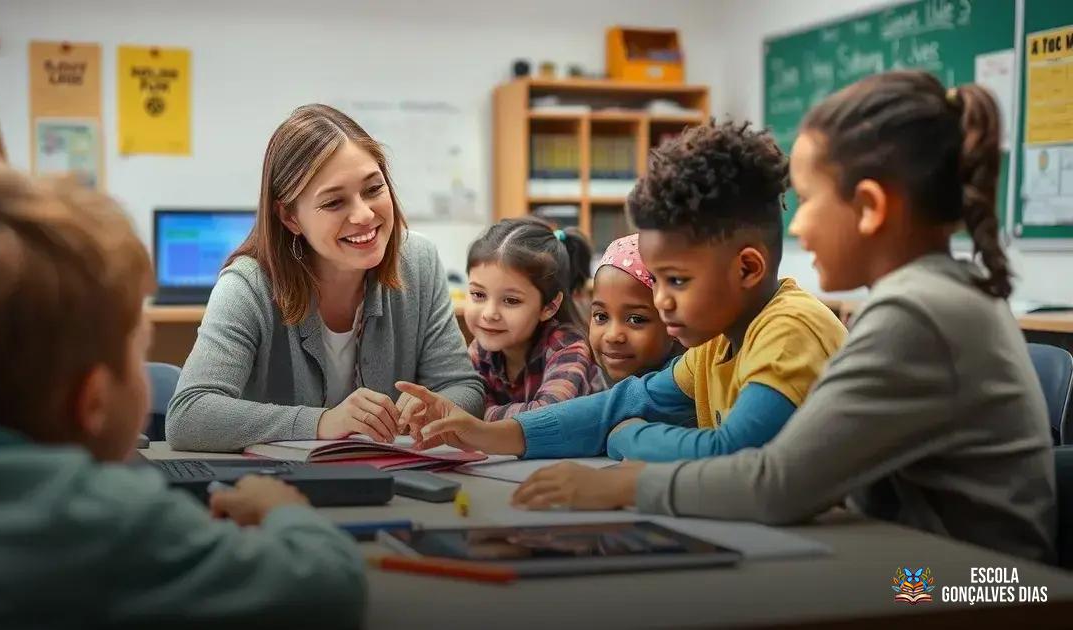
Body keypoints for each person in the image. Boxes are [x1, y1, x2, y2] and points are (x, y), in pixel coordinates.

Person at [515, 71, 1057, 564]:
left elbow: (774, 482)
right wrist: (511, 432)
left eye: (810, 199)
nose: (796, 229)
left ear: (870, 207)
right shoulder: (930, 293)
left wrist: (622, 484)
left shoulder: (916, 311)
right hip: (925, 565)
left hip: (973, 586)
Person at [0, 161, 366, 627]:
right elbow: (328, 588)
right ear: (92, 401)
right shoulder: (110, 522)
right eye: (137, 348)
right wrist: (286, 512)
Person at [399, 121, 846, 464]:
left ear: (747, 268)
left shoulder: (789, 328)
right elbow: (622, 402)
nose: (662, 299)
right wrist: (487, 434)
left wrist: (628, 437)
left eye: (677, 280)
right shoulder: (715, 347)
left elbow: (733, 453)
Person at [166, 104, 483, 452]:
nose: (364, 214)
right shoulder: (248, 285)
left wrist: (436, 406)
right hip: (277, 491)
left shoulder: (419, 262)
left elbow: (464, 389)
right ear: (290, 218)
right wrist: (321, 422)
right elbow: (187, 416)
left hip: (390, 485)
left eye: (374, 189)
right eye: (334, 203)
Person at [461, 217, 602, 422]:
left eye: (511, 300)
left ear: (549, 306)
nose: (489, 313)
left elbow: (546, 416)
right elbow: (469, 404)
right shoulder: (480, 350)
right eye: (478, 295)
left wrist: (478, 416)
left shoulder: (567, 346)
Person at [589, 233, 682, 385]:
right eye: (601, 317)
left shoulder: (683, 391)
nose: (612, 336)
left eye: (636, 319)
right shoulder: (594, 380)